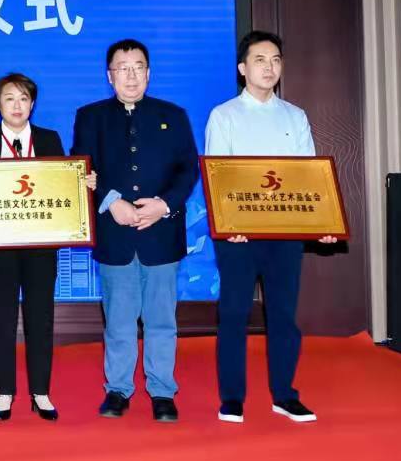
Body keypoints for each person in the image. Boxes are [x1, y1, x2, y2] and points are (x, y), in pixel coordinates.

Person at [205, 30, 337, 424]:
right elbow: (218, 177)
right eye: (260, 60)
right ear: (242, 68)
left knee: (283, 315)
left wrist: (321, 223)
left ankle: (284, 395)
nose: (269, 67)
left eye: (276, 60)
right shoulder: (224, 115)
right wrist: (230, 223)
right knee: (233, 314)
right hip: (238, 235)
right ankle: (232, 398)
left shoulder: (295, 116)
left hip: (284, 233)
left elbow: (308, 178)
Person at [0, 73, 96, 422]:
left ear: (32, 104)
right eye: (9, 99)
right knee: (0, 318)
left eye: (24, 99)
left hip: (40, 246)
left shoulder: (49, 139)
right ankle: (4, 392)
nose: (17, 105)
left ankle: (40, 392)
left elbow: (62, 186)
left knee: (40, 317)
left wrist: (83, 182)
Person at [72, 39, 198, 423]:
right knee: (119, 319)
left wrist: (164, 205)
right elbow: (82, 167)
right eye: (122, 68)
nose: (131, 75)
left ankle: (162, 391)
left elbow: (188, 169)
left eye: (138, 67)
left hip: (162, 232)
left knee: (162, 319)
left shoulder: (172, 115)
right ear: (109, 76)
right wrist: (113, 202)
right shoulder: (91, 116)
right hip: (116, 232)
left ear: (149, 72)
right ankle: (117, 390)